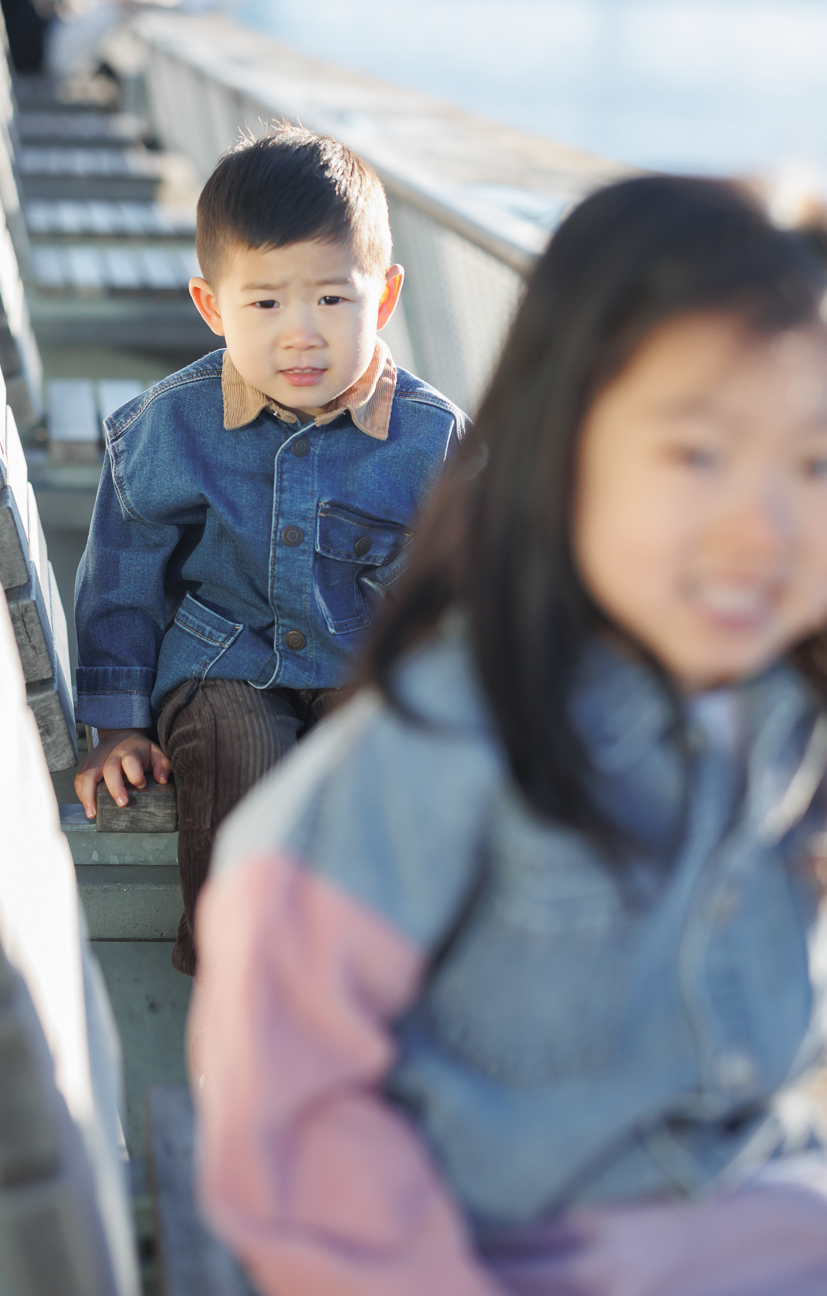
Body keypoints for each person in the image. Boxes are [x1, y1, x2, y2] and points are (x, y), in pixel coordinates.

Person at [190, 174, 827, 1296]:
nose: (761, 526)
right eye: (696, 454)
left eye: (815, 465)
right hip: (512, 1256)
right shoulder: (458, 731)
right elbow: (291, 1080)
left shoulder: (773, 719)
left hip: (742, 1214)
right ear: (564, 443)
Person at [72, 127, 465, 975]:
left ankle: (368, 994)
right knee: (236, 743)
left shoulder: (431, 442)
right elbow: (121, 581)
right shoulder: (169, 428)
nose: (300, 335)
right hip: (222, 662)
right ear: (212, 306)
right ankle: (237, 988)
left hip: (362, 667)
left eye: (331, 300)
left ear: (384, 297)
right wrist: (114, 727)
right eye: (265, 304)